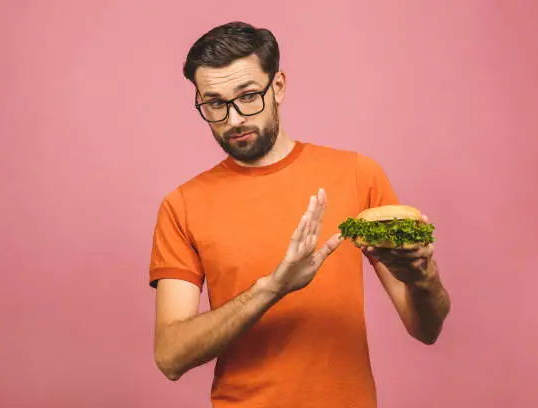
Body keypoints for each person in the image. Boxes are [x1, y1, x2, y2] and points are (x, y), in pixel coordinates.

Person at [148, 21, 451, 408]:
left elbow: (426, 328)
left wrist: (424, 276)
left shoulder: (358, 175)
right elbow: (170, 357)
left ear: (278, 87)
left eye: (249, 95)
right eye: (215, 103)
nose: (235, 118)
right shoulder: (182, 205)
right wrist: (273, 287)